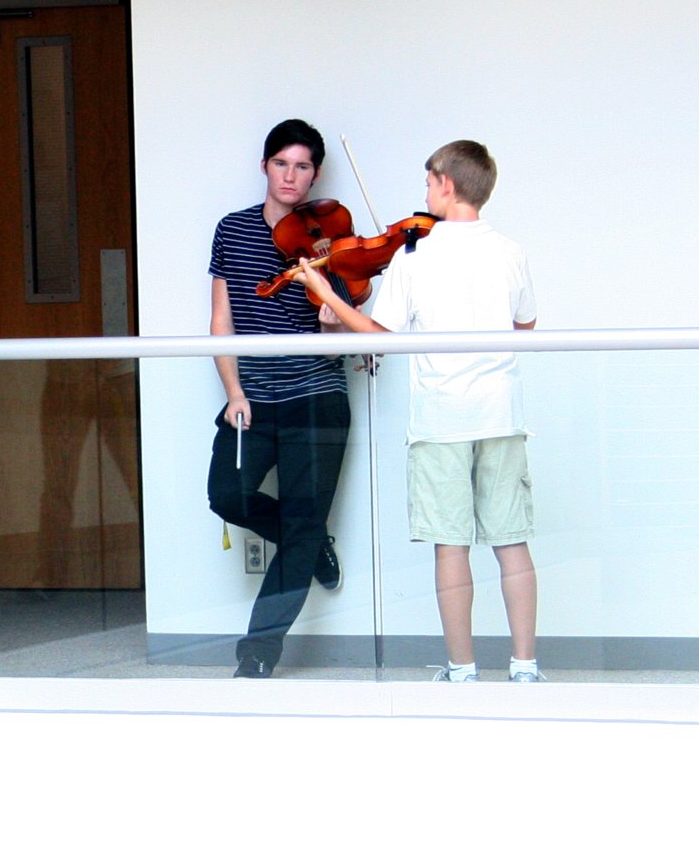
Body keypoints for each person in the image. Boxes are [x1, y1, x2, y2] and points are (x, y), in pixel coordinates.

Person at [292, 140, 540, 682]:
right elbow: (525, 326)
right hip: (501, 414)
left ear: (447, 185)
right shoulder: (510, 251)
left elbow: (379, 337)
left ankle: (461, 670)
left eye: (429, 183)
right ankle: (525, 667)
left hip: (440, 419)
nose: (425, 193)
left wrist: (325, 292)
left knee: (451, 547)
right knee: (511, 543)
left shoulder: (415, 257)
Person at [207, 119, 352, 678]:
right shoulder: (233, 229)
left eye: (303, 166)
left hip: (316, 395)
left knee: (301, 517)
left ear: (316, 174)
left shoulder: (330, 241)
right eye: (281, 164)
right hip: (253, 398)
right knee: (227, 495)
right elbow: (222, 320)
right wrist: (233, 392)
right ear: (265, 167)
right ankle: (312, 543)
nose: (291, 176)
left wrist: (330, 318)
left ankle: (259, 652)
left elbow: (342, 326)